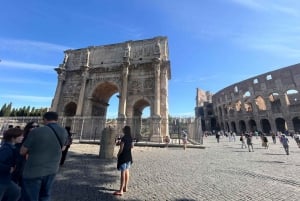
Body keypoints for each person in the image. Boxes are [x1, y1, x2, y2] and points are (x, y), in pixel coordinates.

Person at [20, 112, 68, 201]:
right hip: (52, 170)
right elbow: (63, 149)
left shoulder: (36, 131)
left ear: (45, 119)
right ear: (57, 119)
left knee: (30, 197)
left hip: (33, 170)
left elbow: (22, 151)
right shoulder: (64, 131)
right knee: (45, 196)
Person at [0, 128, 23, 201]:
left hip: (5, 179)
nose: (22, 137)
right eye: (20, 136)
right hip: (2, 179)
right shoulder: (6, 149)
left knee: (16, 192)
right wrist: (9, 168)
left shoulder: (11, 147)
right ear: (13, 138)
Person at [114, 126, 133, 196]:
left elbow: (121, 149)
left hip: (123, 157)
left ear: (125, 131)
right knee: (127, 171)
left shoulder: (123, 138)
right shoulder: (130, 138)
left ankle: (121, 190)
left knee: (122, 172)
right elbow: (132, 147)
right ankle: (125, 187)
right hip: (129, 156)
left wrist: (118, 154)